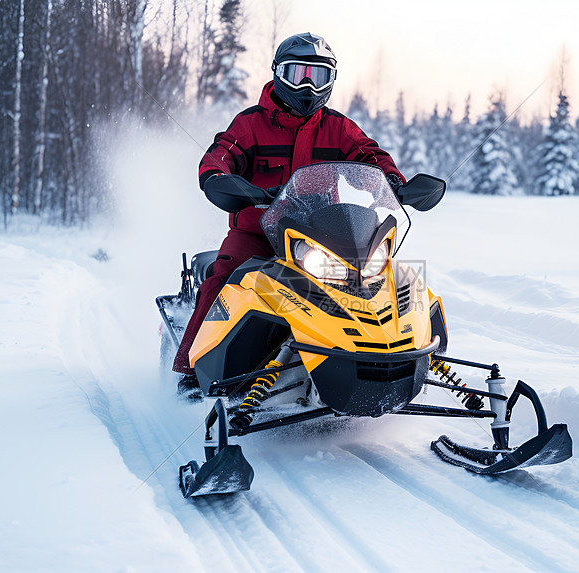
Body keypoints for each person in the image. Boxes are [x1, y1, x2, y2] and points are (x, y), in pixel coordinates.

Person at [172, 32, 405, 378]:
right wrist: (220, 179)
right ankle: (190, 368)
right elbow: (219, 156)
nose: (308, 86)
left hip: (322, 235)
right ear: (278, 73)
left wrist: (392, 181)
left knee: (378, 282)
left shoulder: (338, 127)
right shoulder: (250, 124)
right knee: (225, 275)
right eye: (298, 74)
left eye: (318, 75)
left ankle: (383, 360)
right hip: (257, 234)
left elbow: (368, 155)